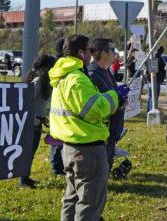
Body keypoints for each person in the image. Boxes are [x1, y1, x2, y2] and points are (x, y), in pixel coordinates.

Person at [49, 35, 128, 221]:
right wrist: (115, 96)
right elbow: (93, 109)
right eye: (89, 51)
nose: (91, 55)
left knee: (72, 197)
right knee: (89, 203)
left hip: (71, 146)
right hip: (87, 148)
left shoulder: (63, 75)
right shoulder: (77, 78)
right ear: (80, 53)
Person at [20, 54, 56, 188]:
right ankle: (23, 181)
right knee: (28, 151)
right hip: (31, 123)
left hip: (37, 122)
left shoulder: (43, 82)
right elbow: (24, 103)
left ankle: (26, 177)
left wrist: (42, 118)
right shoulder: (38, 81)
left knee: (32, 151)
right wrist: (34, 118)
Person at [87, 38, 124, 171]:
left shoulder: (106, 70)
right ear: (103, 54)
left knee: (107, 163)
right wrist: (118, 100)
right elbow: (98, 105)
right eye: (113, 50)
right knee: (100, 169)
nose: (116, 53)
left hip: (112, 130)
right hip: (102, 132)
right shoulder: (92, 74)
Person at [49, 37, 66, 176]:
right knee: (56, 141)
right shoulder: (58, 64)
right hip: (57, 107)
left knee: (59, 140)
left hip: (59, 107)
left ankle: (58, 165)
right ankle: (56, 166)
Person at [146, 45, 166, 113]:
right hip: (155, 81)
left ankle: (148, 111)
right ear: (161, 52)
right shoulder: (160, 59)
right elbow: (163, 70)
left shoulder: (150, 56)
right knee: (154, 98)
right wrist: (161, 78)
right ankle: (152, 111)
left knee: (149, 97)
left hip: (148, 80)